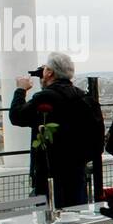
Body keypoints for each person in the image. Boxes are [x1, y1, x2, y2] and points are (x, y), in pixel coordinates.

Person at [8, 52, 104, 208]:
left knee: (50, 219)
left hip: (50, 172)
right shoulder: (83, 98)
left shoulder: (45, 97)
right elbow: (98, 139)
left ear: (50, 72)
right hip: (77, 170)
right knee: (78, 218)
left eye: (45, 69)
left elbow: (17, 117)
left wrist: (20, 90)